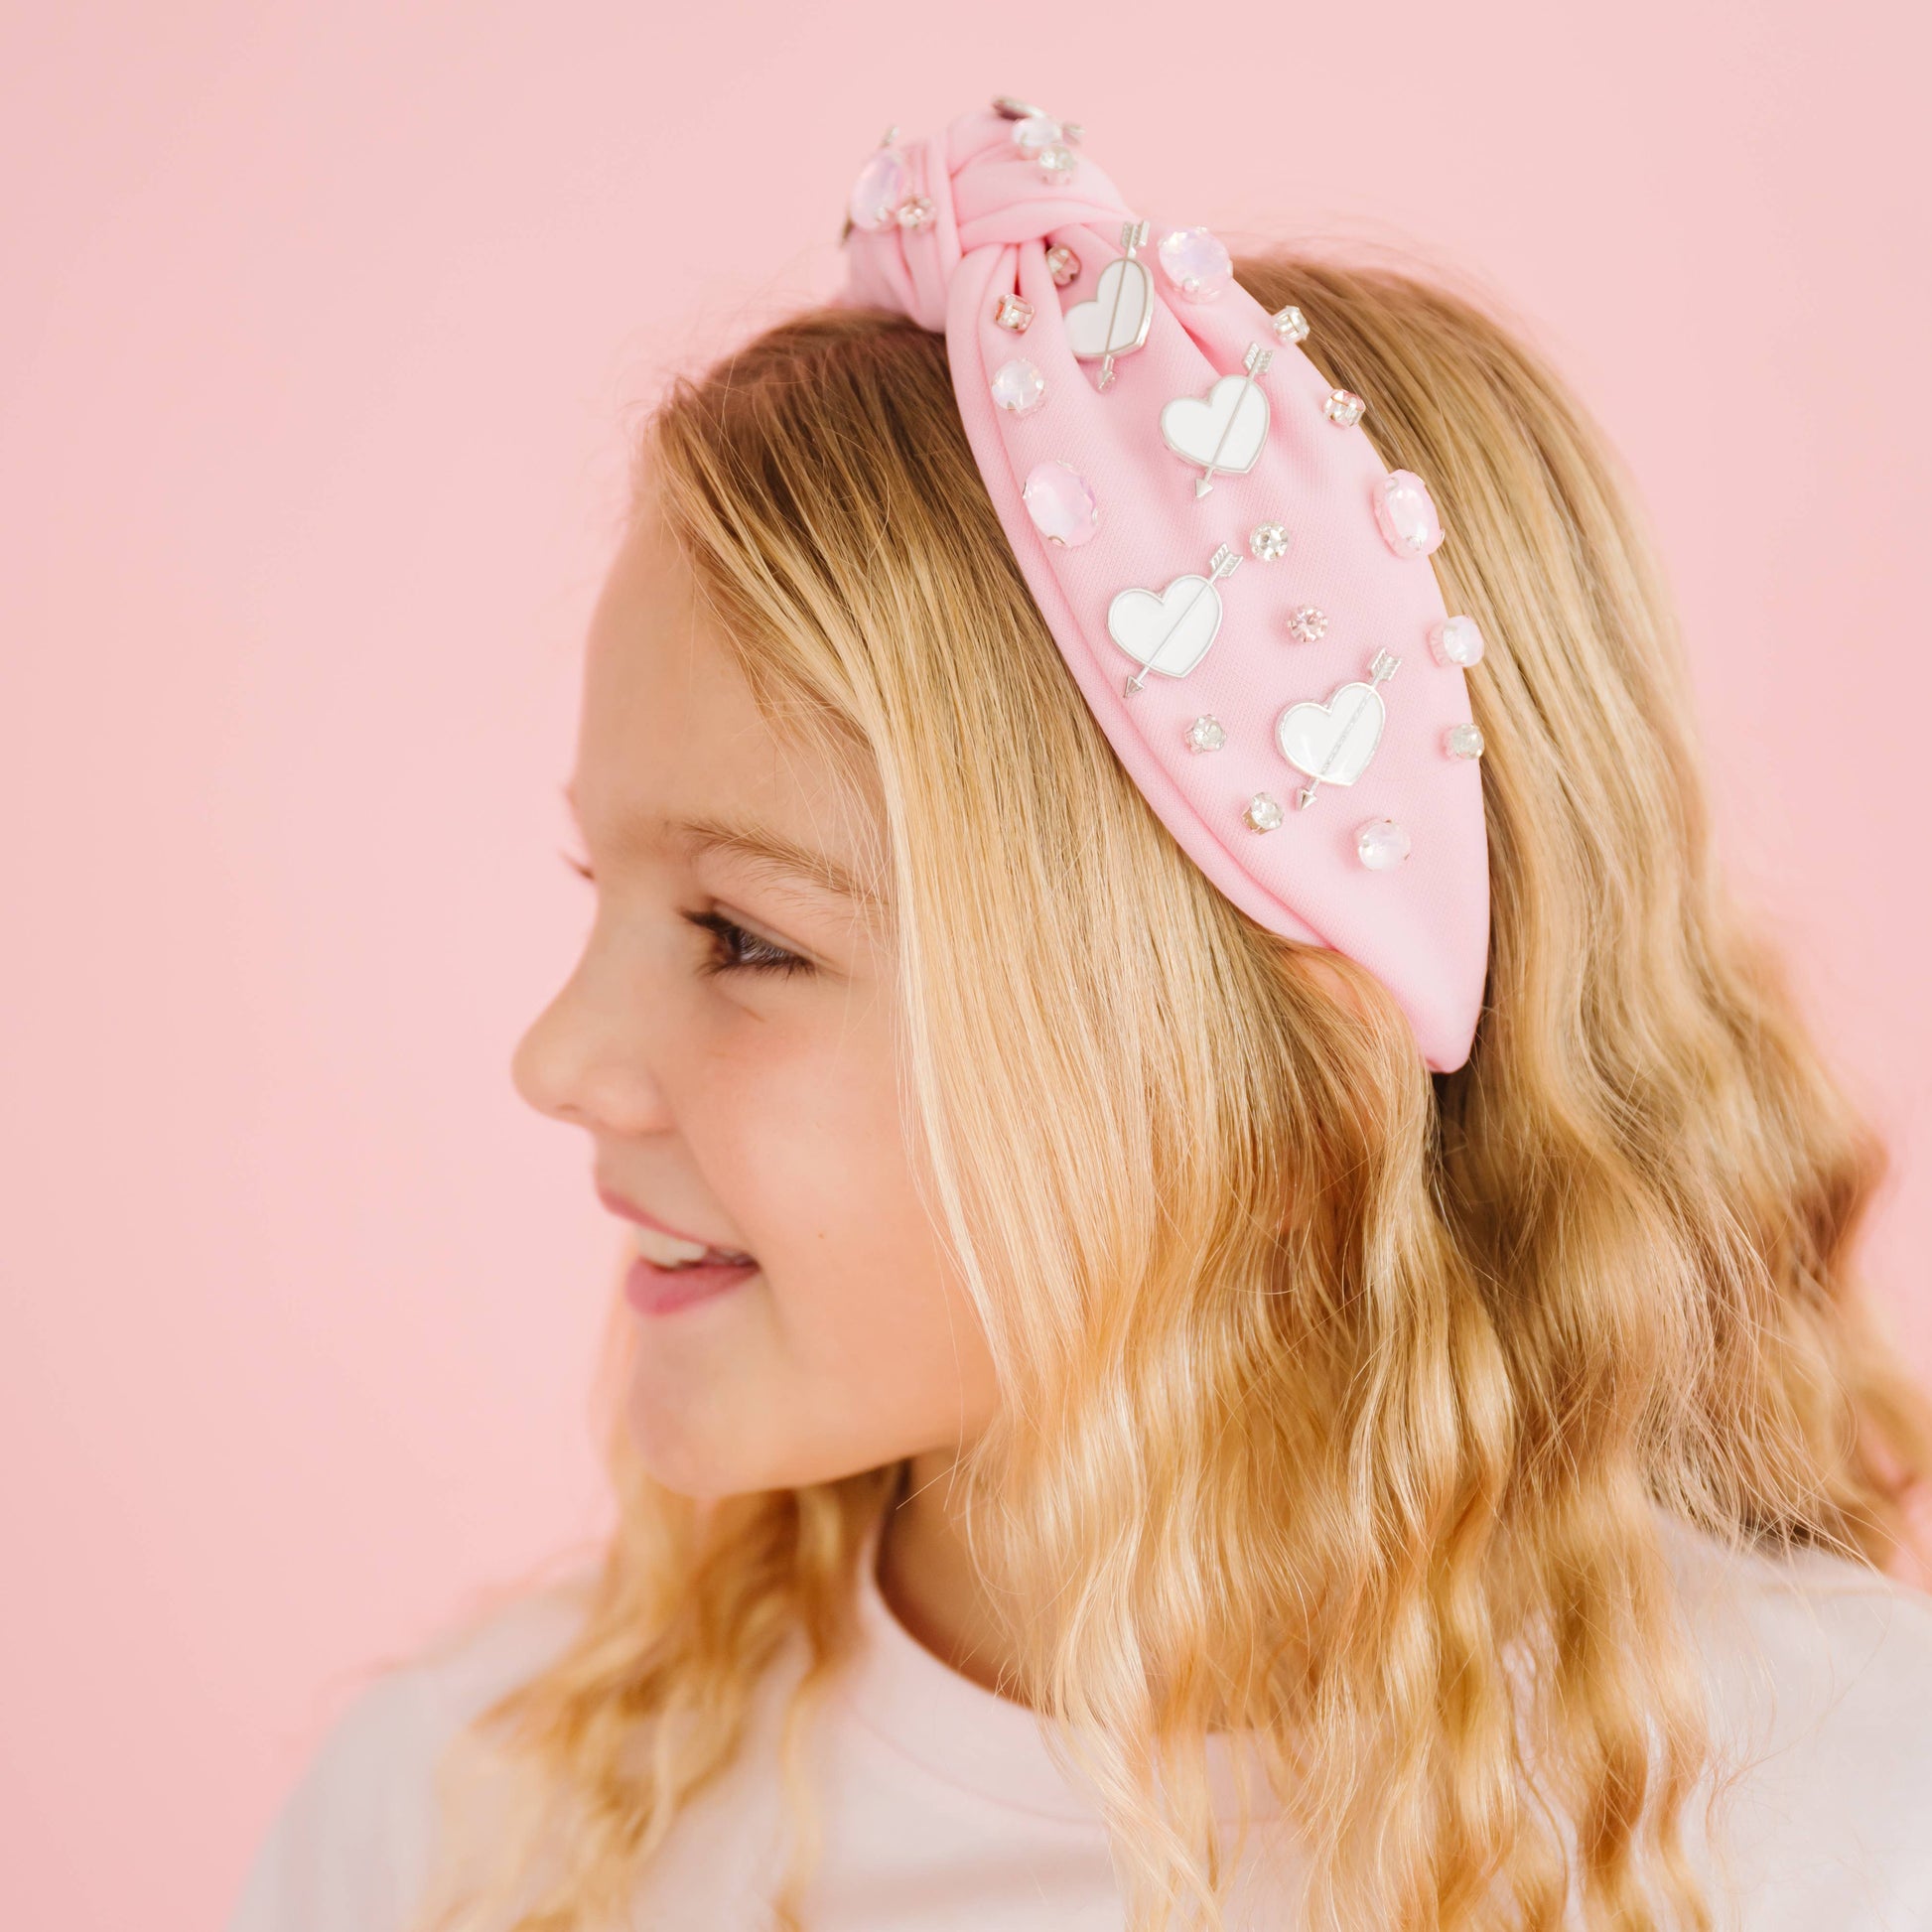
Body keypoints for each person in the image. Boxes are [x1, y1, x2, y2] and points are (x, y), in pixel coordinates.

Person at [226, 100, 1932, 1932]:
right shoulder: (458, 1826)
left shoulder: (1826, 1836)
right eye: (604, 896)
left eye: (739, 936)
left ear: (1279, 1081)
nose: (556, 1058)